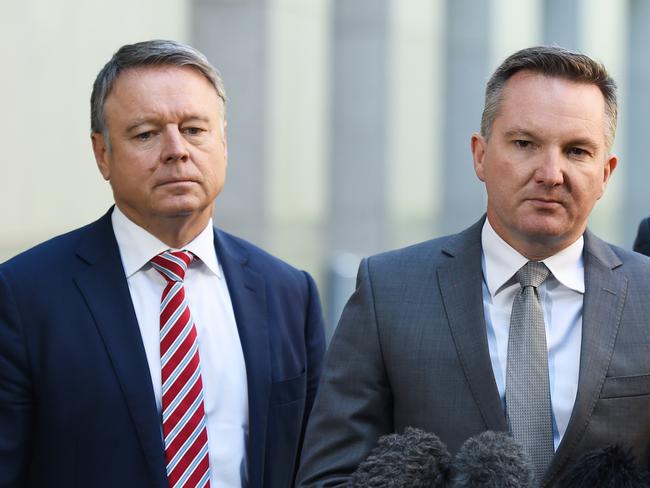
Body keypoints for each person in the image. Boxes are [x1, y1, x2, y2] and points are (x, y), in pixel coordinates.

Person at [296, 46, 650, 488]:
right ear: (480, 155)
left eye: (577, 151)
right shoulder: (388, 292)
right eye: (525, 144)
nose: (550, 173)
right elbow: (327, 477)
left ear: (606, 173)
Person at [0, 40, 325, 488]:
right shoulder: (23, 295)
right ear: (102, 154)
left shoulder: (288, 292)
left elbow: (315, 463)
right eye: (146, 134)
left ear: (223, 143)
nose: (176, 150)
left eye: (194, 129)